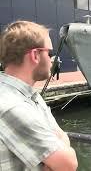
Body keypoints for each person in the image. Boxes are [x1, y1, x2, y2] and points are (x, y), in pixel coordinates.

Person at [0, 21, 78, 170]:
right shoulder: (12, 106)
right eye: (49, 53)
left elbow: (60, 136)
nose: (51, 60)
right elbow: (68, 164)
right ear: (35, 55)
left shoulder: (28, 95)